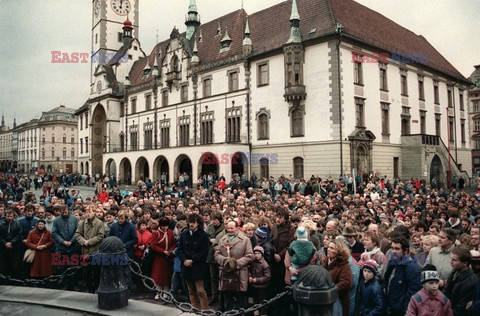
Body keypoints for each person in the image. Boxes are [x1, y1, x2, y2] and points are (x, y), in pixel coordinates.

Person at [215, 219, 254, 311]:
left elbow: (249, 255)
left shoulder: (245, 240)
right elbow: (216, 254)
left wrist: (235, 264)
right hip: (225, 272)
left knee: (240, 300)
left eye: (232, 228)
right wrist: (225, 262)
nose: (230, 230)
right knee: (227, 300)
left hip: (239, 272)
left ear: (237, 228)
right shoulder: (222, 239)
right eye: (228, 228)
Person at [176, 214, 210, 310]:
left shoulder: (203, 235)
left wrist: (192, 260)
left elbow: (204, 252)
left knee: (200, 291)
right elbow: (179, 249)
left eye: (194, 222)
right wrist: (184, 260)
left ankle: (205, 310)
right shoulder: (184, 234)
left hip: (198, 266)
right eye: (190, 222)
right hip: (186, 265)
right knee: (191, 291)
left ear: (198, 223)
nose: (191, 224)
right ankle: (194, 309)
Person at [384, 237, 422, 316]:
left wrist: (407, 312)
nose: (393, 251)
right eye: (392, 248)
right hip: (390, 307)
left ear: (405, 250)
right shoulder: (392, 262)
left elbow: (413, 294)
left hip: (401, 311)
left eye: (397, 249)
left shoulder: (412, 268)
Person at [75, 204, 106, 293]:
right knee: (86, 271)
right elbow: (77, 234)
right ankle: (89, 288)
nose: (88, 214)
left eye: (90, 212)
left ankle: (96, 287)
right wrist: (83, 241)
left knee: (96, 271)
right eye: (87, 212)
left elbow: (101, 235)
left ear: (94, 213)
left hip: (95, 250)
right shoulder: (82, 223)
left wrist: (90, 241)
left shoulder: (99, 223)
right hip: (85, 250)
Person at [444, 246, 477, 316]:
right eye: (451, 259)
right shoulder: (455, 272)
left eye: (454, 260)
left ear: (465, 263)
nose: (451, 262)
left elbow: (462, 307)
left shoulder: (471, 281)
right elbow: (446, 291)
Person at [323, 239, 353, 316]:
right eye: (329, 247)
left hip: (338, 300)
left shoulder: (344, 266)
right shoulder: (325, 262)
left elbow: (346, 283)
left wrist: (330, 290)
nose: (328, 249)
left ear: (339, 251)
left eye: (332, 248)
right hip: (325, 300)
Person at [150, 217, 175, 295]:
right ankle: (158, 291)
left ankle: (166, 291)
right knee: (158, 275)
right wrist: (163, 251)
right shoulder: (156, 233)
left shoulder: (170, 232)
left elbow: (174, 243)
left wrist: (171, 250)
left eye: (166, 226)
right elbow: (153, 245)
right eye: (163, 226)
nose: (165, 228)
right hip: (159, 257)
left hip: (168, 257)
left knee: (167, 274)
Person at [248, 245, 271, 316]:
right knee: (255, 302)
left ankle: (263, 314)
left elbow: (267, 277)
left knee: (262, 303)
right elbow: (249, 270)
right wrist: (249, 276)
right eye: (255, 253)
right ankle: (256, 313)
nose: (256, 255)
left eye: (258, 254)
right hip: (254, 286)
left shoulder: (264, 264)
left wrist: (256, 280)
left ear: (262, 254)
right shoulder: (252, 262)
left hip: (262, 287)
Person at [0, 210, 23, 278]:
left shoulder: (17, 224)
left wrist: (12, 242)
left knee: (14, 262)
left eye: (11, 216)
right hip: (3, 246)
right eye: (8, 216)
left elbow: (19, 234)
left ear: (13, 216)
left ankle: (14, 276)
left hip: (14, 246)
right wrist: (5, 243)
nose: (9, 218)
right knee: (4, 262)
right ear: (5, 216)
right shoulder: (1, 224)